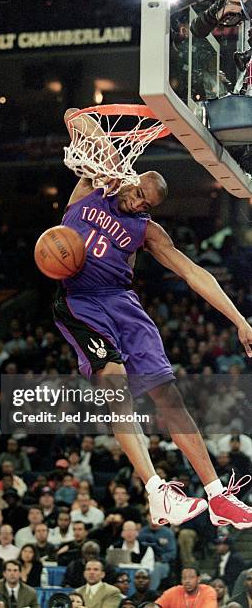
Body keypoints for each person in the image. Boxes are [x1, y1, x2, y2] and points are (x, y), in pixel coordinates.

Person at [53, 106, 252, 528]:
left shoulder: (147, 230)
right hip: (81, 301)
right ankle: (155, 490)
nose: (138, 201)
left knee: (170, 398)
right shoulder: (93, 186)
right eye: (138, 192)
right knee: (114, 381)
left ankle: (217, 497)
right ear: (131, 178)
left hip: (123, 303)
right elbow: (76, 117)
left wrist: (240, 321)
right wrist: (113, 155)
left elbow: (194, 273)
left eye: (147, 202)